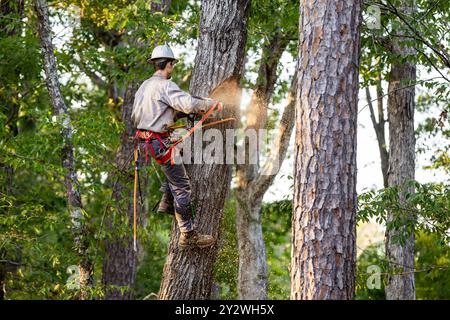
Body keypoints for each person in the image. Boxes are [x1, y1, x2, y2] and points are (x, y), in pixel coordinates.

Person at [131, 44, 219, 249]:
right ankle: (188, 235)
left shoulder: (144, 86)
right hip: (159, 143)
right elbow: (188, 104)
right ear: (169, 64)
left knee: (182, 150)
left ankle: (166, 200)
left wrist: (176, 114)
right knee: (183, 187)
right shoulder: (165, 85)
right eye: (172, 64)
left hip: (148, 142)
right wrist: (209, 105)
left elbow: (150, 113)